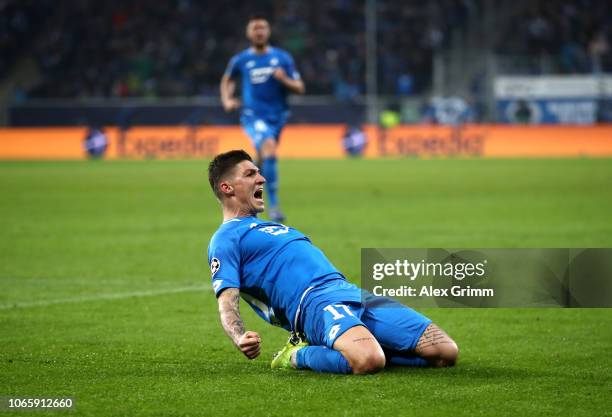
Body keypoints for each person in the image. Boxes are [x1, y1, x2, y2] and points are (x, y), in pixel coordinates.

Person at [207, 150, 459, 374]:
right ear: (227, 187)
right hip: (313, 304)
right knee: (369, 361)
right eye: (251, 174)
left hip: (350, 292)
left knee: (444, 352)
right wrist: (239, 336)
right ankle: (297, 354)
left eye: (259, 173)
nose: (262, 179)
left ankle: (357, 344)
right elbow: (226, 300)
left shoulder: (272, 227)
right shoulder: (226, 238)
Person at [220, 15, 305, 222]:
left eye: (263, 28)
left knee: (259, 159)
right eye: (255, 28)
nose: (259, 32)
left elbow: (300, 87)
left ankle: (243, 193)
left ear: (268, 32)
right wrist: (228, 100)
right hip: (252, 115)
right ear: (249, 33)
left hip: (277, 116)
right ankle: (274, 206)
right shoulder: (241, 60)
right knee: (269, 147)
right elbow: (227, 80)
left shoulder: (282, 58)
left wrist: (283, 79)